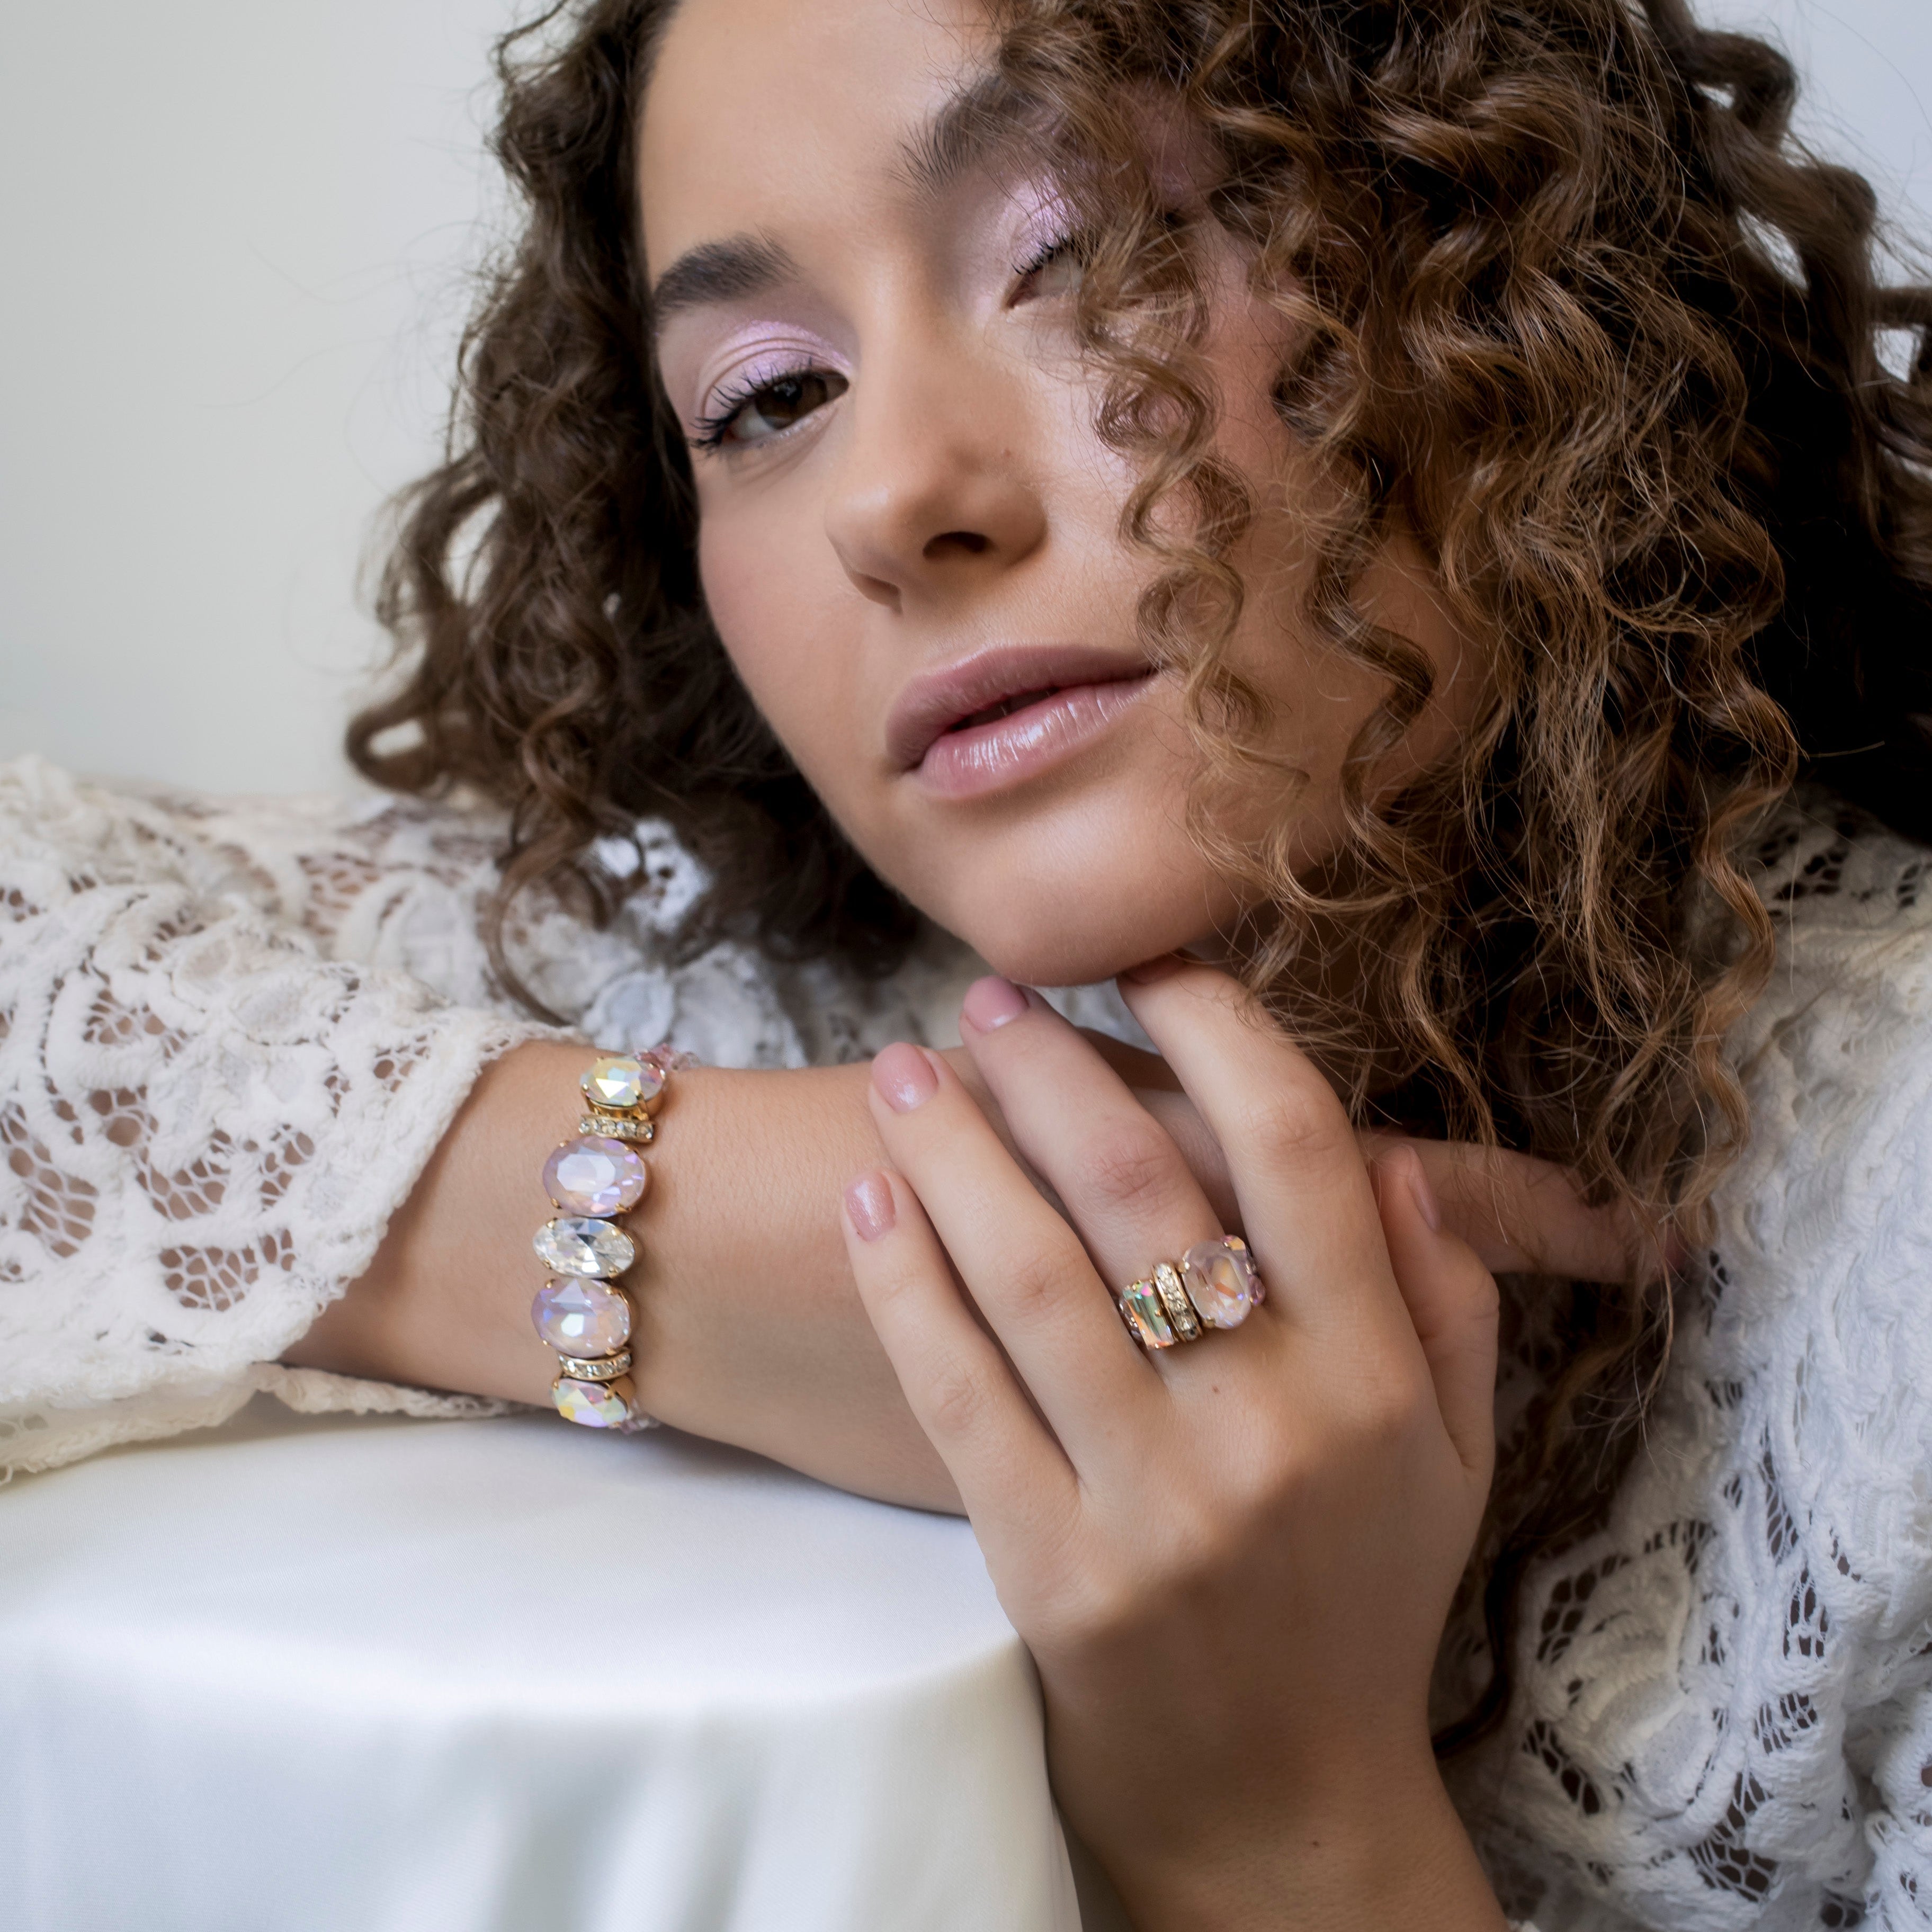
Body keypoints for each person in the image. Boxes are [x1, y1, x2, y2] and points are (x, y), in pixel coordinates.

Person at [4, 0, 1931, 1922]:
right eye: (768, 399)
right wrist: (684, 1228)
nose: (892, 499)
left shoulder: (1891, 1259)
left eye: (1085, 248)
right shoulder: (752, 977)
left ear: (1510, 263)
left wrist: (1274, 1817)